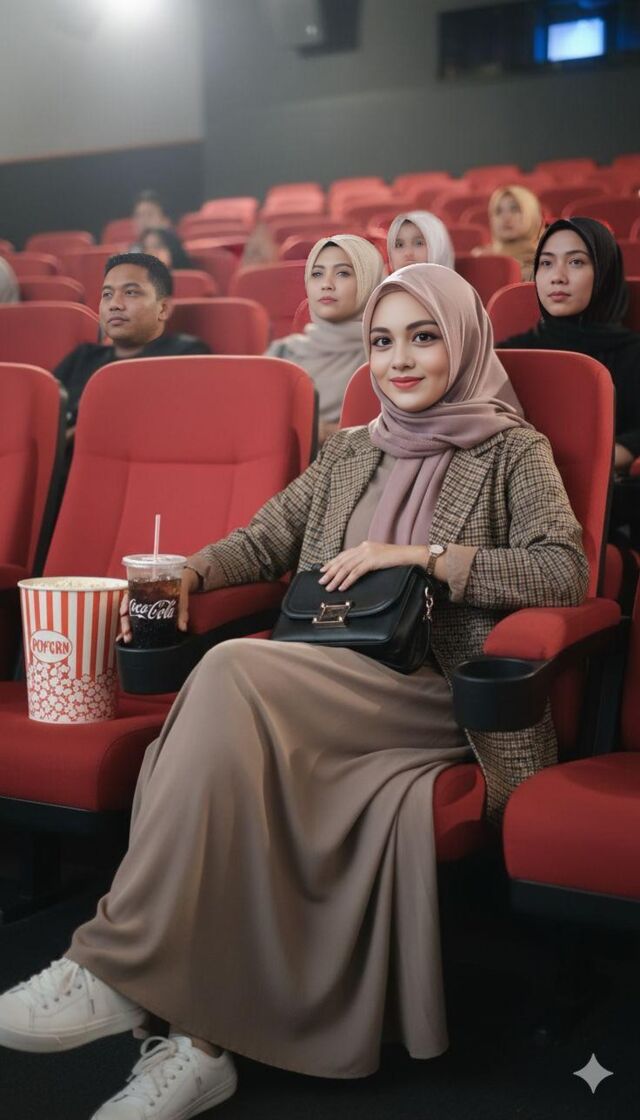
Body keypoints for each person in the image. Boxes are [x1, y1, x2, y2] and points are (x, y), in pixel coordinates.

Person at [0, 265, 588, 1120]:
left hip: (430, 692)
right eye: (382, 341)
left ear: (463, 342)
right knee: (227, 755)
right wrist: (189, 573)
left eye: (423, 337)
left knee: (229, 671)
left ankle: (112, 966)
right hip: (322, 676)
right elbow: (265, 537)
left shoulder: (511, 450)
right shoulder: (351, 448)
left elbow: (564, 570)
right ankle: (200, 1047)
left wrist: (424, 559)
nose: (399, 360)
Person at [498, 217, 640, 474]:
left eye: (576, 262)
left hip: (610, 485)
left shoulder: (634, 354)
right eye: (546, 263)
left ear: (605, 272)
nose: (557, 277)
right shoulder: (508, 354)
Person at [54, 253, 209, 432]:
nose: (114, 304)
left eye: (130, 292)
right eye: (107, 294)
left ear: (163, 308)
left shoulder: (185, 355)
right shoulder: (83, 357)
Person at [266, 234, 385, 444]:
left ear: (370, 280)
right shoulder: (282, 354)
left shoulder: (388, 356)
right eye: (317, 274)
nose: (326, 284)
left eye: (343, 273)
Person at [473, 185, 544, 279]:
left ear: (532, 215)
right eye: (498, 211)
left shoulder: (546, 259)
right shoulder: (480, 257)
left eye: (515, 209)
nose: (505, 218)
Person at [387, 211, 455, 271]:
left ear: (438, 247)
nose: (408, 253)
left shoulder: (454, 282)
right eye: (399, 245)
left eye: (419, 243)